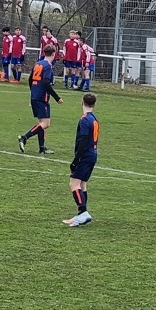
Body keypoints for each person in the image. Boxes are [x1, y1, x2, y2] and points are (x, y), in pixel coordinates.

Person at [18, 44, 63, 154]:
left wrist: (32, 93)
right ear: (54, 54)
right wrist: (57, 98)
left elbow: (30, 79)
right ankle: (24, 137)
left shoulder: (38, 63)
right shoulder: (47, 66)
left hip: (35, 96)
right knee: (46, 123)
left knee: (41, 122)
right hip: (42, 98)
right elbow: (46, 82)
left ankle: (42, 147)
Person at [63, 93, 99, 227]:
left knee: (74, 183)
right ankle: (80, 214)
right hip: (93, 154)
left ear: (81, 102)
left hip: (85, 155)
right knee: (82, 184)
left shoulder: (84, 120)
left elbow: (83, 139)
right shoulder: (94, 118)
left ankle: (83, 213)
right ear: (95, 104)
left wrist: (77, 158)